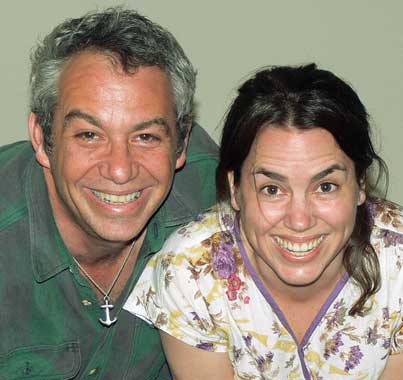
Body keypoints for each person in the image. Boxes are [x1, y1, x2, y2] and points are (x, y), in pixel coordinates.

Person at [125, 64, 403, 379]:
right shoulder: (190, 272)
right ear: (235, 189)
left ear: (360, 186)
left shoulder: (398, 265)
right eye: (272, 189)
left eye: (326, 187)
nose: (300, 221)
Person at [0, 7, 218, 379]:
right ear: (42, 138)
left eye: (146, 137)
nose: (120, 170)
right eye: (89, 135)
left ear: (180, 144)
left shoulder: (222, 199)